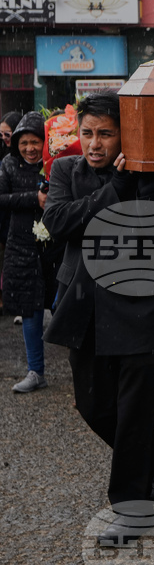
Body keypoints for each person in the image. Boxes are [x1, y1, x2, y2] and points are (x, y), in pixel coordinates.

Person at [43, 91, 154, 545]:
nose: (95, 144)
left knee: (135, 410)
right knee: (93, 405)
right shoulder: (65, 170)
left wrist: (131, 186)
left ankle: (132, 508)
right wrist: (113, 192)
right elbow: (59, 222)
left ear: (125, 134)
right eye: (87, 133)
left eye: (105, 134)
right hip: (83, 302)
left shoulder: (149, 175)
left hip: (139, 304)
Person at [1, 112, 58, 393]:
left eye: (35, 142)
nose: (30, 148)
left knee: (66, 306)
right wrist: (32, 199)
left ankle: (85, 375)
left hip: (55, 247)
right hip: (21, 247)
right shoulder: (9, 165)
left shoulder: (56, 165)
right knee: (30, 310)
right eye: (24, 143)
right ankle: (36, 371)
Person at [0, 110, 22, 315]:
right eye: (1, 135)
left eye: (8, 134)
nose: (4, 139)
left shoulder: (22, 159)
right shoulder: (6, 159)